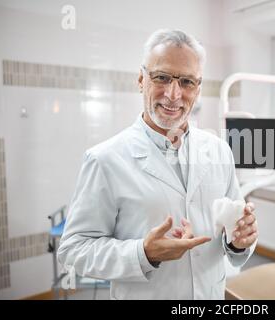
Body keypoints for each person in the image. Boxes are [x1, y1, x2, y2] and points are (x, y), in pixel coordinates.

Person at [57, 29, 258, 300]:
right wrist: (144, 253)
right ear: (141, 80)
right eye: (161, 77)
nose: (173, 94)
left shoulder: (219, 151)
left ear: (198, 89)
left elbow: (235, 229)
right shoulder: (104, 159)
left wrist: (238, 241)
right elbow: (74, 249)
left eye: (186, 81)